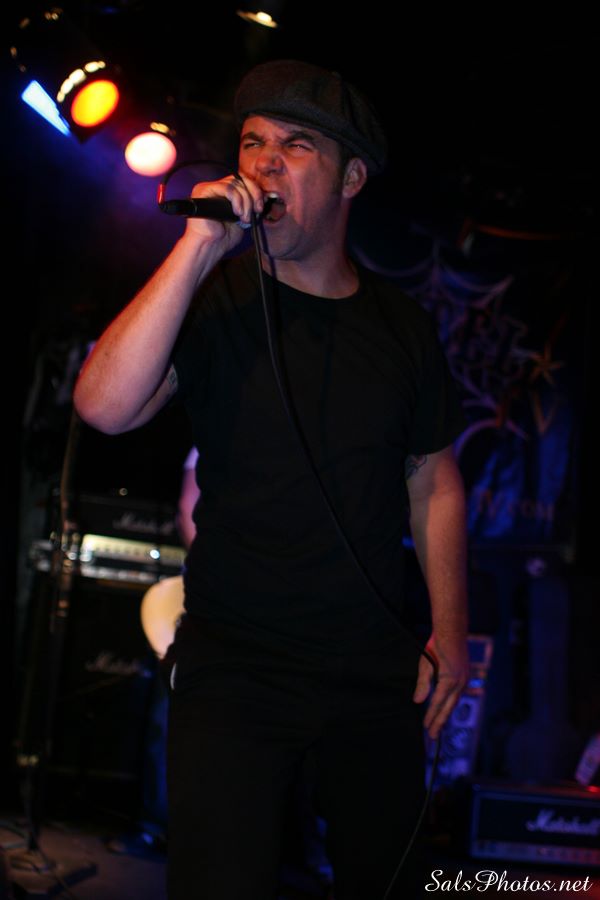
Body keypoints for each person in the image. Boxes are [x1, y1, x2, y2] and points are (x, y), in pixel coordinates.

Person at [74, 59, 469, 899]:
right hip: (235, 664)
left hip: (371, 668)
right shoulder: (212, 296)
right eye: (253, 142)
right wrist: (197, 245)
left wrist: (451, 631)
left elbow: (434, 481)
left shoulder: (402, 329)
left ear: (351, 178)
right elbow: (103, 408)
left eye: (296, 145)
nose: (264, 163)